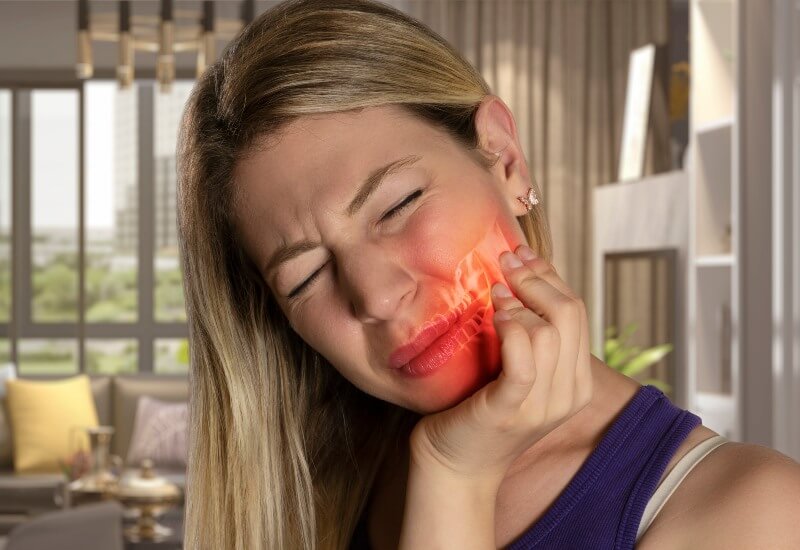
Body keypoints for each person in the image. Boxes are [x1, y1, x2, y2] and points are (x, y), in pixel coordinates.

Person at [175, 1, 800, 548]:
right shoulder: (319, 485)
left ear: (504, 159)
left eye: (397, 206)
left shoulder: (755, 511)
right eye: (306, 277)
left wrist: (456, 477)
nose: (378, 295)